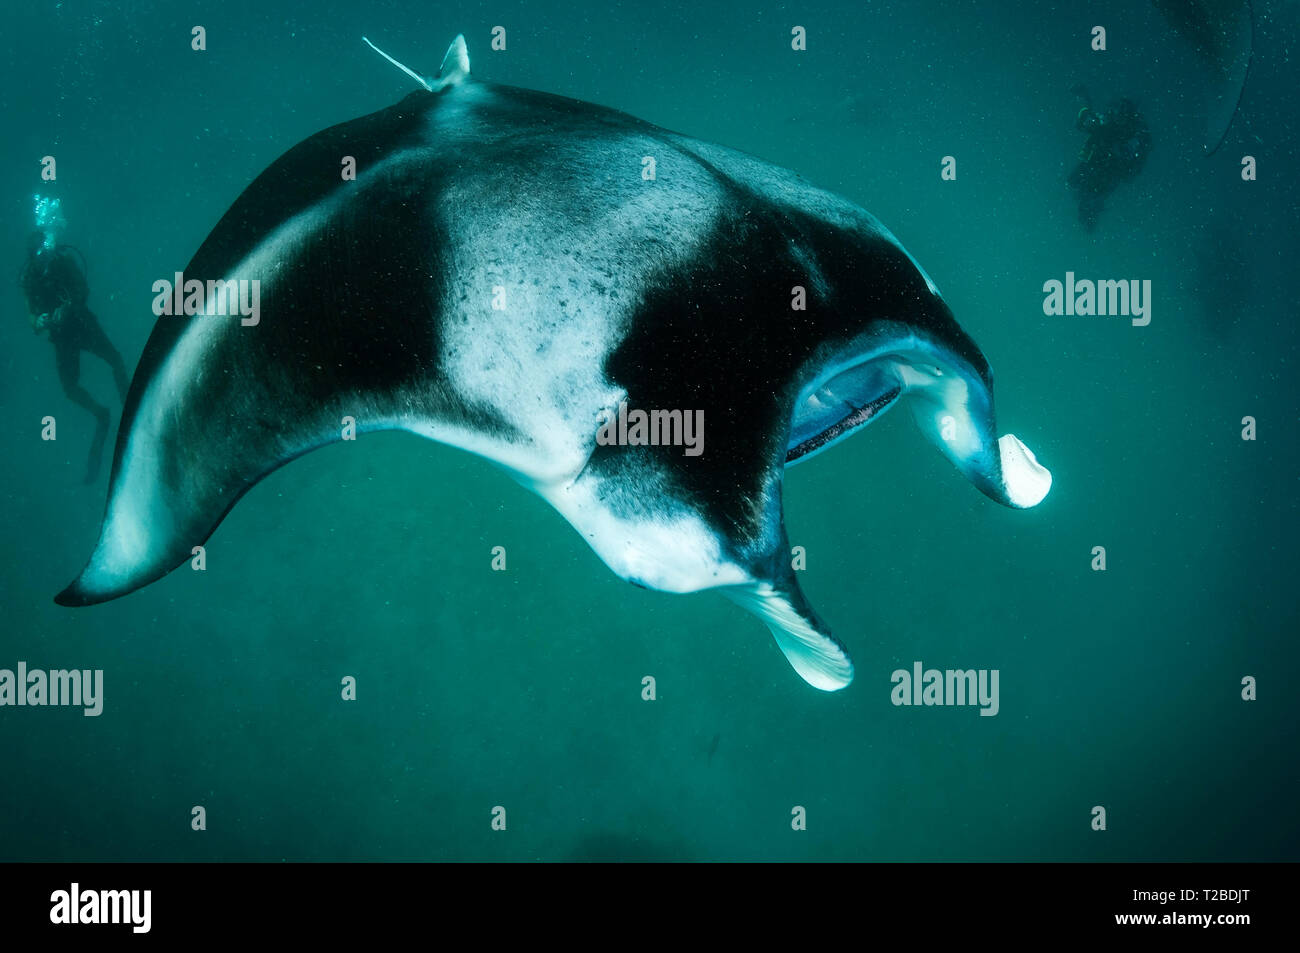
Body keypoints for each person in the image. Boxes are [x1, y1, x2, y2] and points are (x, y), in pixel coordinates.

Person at [21, 229, 129, 482]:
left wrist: (68, 307)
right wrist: (41, 320)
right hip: (62, 338)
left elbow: (83, 289)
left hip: (82, 324)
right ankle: (101, 413)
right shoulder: (28, 278)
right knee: (70, 388)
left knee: (115, 359)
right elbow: (31, 320)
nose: (44, 259)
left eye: (46, 252)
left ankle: (127, 402)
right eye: (39, 255)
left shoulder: (65, 263)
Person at [1067, 86, 1152, 231]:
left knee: (1090, 191)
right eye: (1118, 113)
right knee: (1076, 183)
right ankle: (1088, 211)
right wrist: (1085, 108)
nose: (1119, 117)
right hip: (1098, 164)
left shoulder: (1133, 133)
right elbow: (1084, 122)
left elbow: (1138, 153)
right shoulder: (1107, 122)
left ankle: (1089, 214)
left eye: (1123, 115)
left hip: (1111, 170)